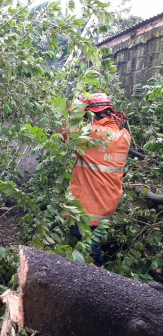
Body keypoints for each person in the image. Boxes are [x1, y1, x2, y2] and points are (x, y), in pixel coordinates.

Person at [62, 92, 130, 266]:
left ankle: (99, 277)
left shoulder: (93, 133)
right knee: (94, 240)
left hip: (88, 204)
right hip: (108, 201)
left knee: (88, 246)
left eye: (86, 116)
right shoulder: (124, 135)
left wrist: (76, 107)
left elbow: (65, 132)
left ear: (92, 114)